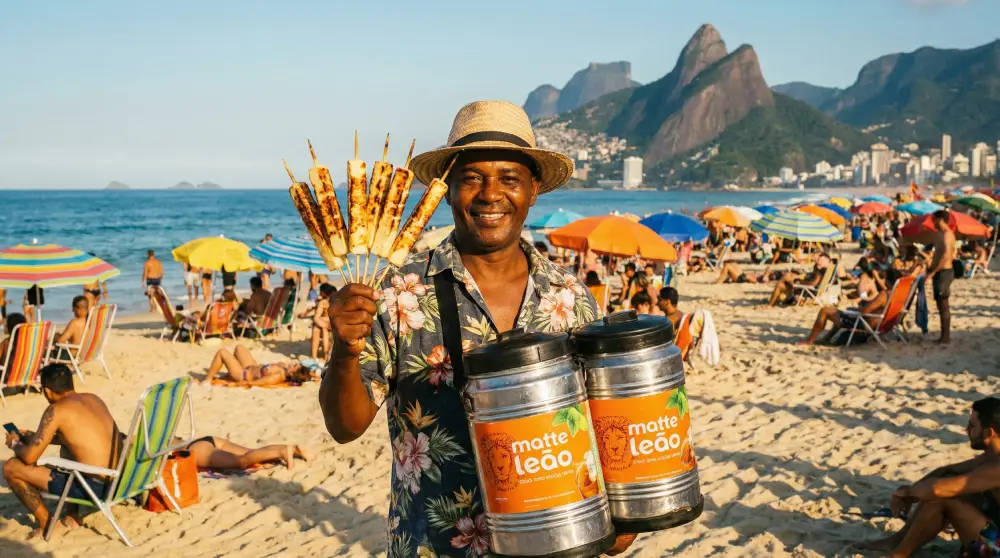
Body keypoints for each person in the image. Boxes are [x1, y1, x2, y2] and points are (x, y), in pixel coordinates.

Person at [319, 101, 635, 556]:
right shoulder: (397, 291)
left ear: (533, 190)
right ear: (447, 191)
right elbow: (345, 426)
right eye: (471, 178)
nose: (490, 195)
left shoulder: (570, 297)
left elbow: (602, 424)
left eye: (509, 179)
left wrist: (620, 516)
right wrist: (345, 349)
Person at [856, 397, 1000, 557]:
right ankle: (897, 541)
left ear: (989, 432)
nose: (966, 430)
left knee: (942, 496)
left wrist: (908, 492)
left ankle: (899, 554)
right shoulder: (991, 456)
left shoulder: (996, 468)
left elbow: (937, 489)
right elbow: (947, 470)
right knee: (946, 483)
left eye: (972, 426)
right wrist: (910, 494)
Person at [3, 364, 123, 537]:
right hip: (120, 481)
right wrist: (33, 437)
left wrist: (15, 443)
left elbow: (29, 458)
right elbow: (77, 438)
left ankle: (47, 524)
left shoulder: (56, 410)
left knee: (11, 468)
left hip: (96, 488)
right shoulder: (93, 398)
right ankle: (72, 516)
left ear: (47, 391)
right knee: (67, 448)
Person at [798, 287, 889, 345]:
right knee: (841, 313)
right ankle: (827, 338)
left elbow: (864, 311)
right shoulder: (894, 295)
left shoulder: (884, 295)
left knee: (825, 311)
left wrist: (858, 308)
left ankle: (810, 341)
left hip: (865, 324)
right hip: (877, 325)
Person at [178, 434, 312, 471]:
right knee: (253, 453)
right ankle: (294, 449)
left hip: (196, 450)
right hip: (207, 440)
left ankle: (283, 451)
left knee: (241, 462)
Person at [202, 345, 315, 386]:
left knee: (222, 352)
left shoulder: (278, 376)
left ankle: (207, 381)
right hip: (250, 366)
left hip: (243, 375)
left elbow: (259, 382)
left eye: (295, 365)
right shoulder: (284, 367)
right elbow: (306, 375)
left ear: (293, 373)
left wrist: (236, 384)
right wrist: (314, 376)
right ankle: (228, 370)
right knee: (239, 348)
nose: (294, 363)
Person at [927, 210, 956, 344]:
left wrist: (932, 273)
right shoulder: (940, 234)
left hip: (943, 272)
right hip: (939, 272)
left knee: (944, 305)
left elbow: (945, 257)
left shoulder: (947, 235)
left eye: (933, 219)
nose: (932, 222)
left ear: (940, 219)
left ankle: (945, 337)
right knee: (940, 304)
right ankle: (943, 335)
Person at [310, 283, 335, 361]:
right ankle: (316, 357)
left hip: (333, 323)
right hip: (325, 323)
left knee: (319, 329)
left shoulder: (336, 302)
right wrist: (325, 324)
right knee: (317, 329)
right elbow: (316, 318)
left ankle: (323, 355)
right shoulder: (323, 302)